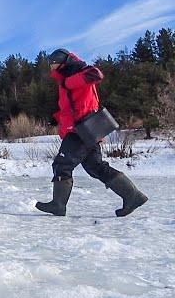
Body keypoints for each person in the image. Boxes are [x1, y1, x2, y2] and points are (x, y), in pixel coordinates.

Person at [35, 48, 148, 217]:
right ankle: (132, 196)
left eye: (52, 64)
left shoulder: (77, 72)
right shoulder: (66, 78)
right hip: (86, 129)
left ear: (61, 61)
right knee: (95, 166)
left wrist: (68, 83)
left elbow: (96, 74)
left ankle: (58, 205)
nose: (51, 68)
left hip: (81, 129)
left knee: (62, 164)